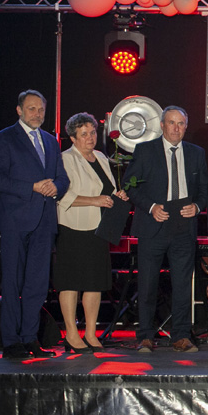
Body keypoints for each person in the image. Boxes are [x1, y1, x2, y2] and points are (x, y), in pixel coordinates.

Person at [0, 90, 69, 360]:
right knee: (12, 282)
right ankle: (11, 341)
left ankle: (30, 338)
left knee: (37, 284)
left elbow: (62, 178)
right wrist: (31, 187)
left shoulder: (50, 141)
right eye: (31, 108)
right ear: (19, 110)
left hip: (44, 221)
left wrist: (56, 186)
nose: (37, 113)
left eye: (41, 109)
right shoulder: (5, 137)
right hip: (15, 220)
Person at [124, 106, 208, 353]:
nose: (176, 128)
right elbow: (129, 186)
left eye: (180, 123)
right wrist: (151, 207)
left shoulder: (196, 153)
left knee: (182, 285)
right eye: (171, 123)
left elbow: (205, 190)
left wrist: (197, 206)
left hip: (183, 226)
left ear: (186, 126)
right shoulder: (145, 150)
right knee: (148, 283)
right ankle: (145, 337)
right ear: (162, 125)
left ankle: (181, 336)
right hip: (154, 225)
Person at [55, 113, 129, 354]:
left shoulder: (101, 157)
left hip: (99, 228)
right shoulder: (65, 159)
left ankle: (90, 332)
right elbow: (61, 195)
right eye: (84, 134)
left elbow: (107, 190)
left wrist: (117, 196)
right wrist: (94, 200)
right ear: (73, 138)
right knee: (71, 282)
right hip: (74, 228)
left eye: (93, 132)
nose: (90, 137)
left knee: (94, 283)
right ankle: (71, 334)